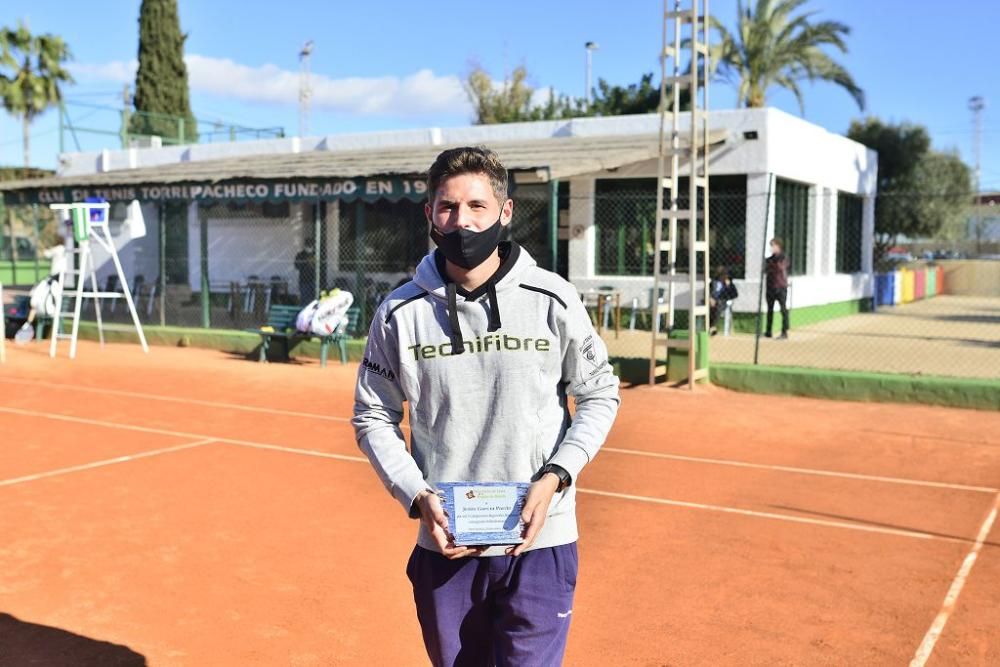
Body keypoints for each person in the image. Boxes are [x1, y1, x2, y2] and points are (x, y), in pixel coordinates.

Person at [353, 146, 620, 666]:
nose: (462, 221)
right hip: (447, 545)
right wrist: (415, 495)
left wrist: (557, 477)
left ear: (505, 212)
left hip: (541, 539)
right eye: (448, 207)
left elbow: (598, 393)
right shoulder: (399, 312)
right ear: (429, 214)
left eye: (477, 206)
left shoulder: (553, 299)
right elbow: (373, 415)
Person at [764, 238, 790, 339]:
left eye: (773, 246)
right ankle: (768, 331)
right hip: (770, 287)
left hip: (781, 287)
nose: (771, 248)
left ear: (778, 246)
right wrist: (769, 264)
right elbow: (766, 269)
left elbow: (781, 267)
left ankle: (784, 332)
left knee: (783, 309)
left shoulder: (784, 257)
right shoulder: (770, 259)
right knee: (769, 310)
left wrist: (773, 264)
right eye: (771, 246)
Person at [709, 267, 738, 336]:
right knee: (712, 307)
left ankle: (711, 326)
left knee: (717, 306)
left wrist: (728, 287)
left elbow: (735, 294)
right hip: (711, 301)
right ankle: (712, 327)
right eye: (722, 275)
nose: (725, 276)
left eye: (725, 275)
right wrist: (710, 298)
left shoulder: (729, 283)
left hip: (723, 301)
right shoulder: (713, 282)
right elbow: (707, 291)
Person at [294, 238, 317, 305]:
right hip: (303, 280)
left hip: (314, 279)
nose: (309, 247)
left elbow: (320, 266)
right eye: (308, 245)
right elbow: (297, 266)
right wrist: (305, 262)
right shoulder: (300, 255)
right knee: (304, 299)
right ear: (305, 246)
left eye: (311, 245)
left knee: (314, 299)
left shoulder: (316, 254)